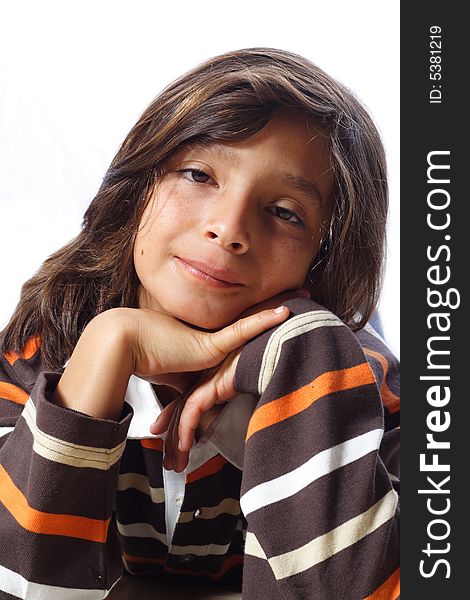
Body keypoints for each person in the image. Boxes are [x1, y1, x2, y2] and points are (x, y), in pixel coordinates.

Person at [0, 48, 399, 599]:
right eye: (198, 174)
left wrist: (303, 359)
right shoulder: (40, 350)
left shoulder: (360, 378)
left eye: (284, 212)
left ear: (324, 255)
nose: (229, 228)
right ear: (140, 187)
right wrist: (107, 347)